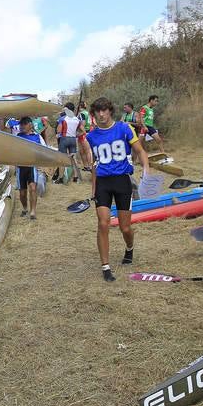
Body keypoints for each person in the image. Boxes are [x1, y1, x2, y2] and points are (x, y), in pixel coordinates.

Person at [81, 98, 149, 282]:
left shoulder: (124, 128)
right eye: (97, 112)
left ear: (110, 111)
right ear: (93, 115)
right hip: (103, 182)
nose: (101, 114)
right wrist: (93, 188)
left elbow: (140, 150)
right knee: (103, 223)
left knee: (125, 227)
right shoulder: (91, 137)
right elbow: (94, 163)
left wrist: (146, 169)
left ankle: (129, 248)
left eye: (104, 111)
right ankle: (106, 266)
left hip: (122, 182)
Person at [16, 117, 45, 219]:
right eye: (21, 124)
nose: (22, 126)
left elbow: (44, 150)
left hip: (32, 167)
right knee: (22, 193)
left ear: (30, 125)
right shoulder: (18, 136)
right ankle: (25, 208)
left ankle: (33, 211)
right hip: (20, 167)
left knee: (33, 188)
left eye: (24, 124)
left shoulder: (37, 137)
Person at [55, 103, 83, 183]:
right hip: (73, 140)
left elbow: (59, 130)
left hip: (64, 139)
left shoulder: (63, 118)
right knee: (73, 158)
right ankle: (76, 177)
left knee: (62, 159)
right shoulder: (77, 119)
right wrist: (76, 135)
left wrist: (58, 134)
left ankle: (60, 178)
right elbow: (83, 131)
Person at [76, 101, 94, 171]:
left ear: (79, 106)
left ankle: (89, 166)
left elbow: (82, 124)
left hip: (84, 133)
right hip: (85, 133)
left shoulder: (82, 114)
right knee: (82, 151)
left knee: (87, 151)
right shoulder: (87, 113)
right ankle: (86, 166)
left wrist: (79, 131)